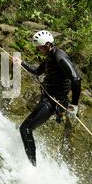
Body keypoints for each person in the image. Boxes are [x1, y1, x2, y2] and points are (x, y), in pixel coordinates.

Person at [14, 30, 81, 166]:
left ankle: (32, 166)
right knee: (25, 129)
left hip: (53, 102)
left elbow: (76, 79)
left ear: (48, 45)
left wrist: (74, 105)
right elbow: (37, 71)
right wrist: (21, 63)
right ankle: (32, 162)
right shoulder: (50, 56)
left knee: (25, 129)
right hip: (47, 98)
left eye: (39, 47)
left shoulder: (60, 57)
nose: (38, 50)